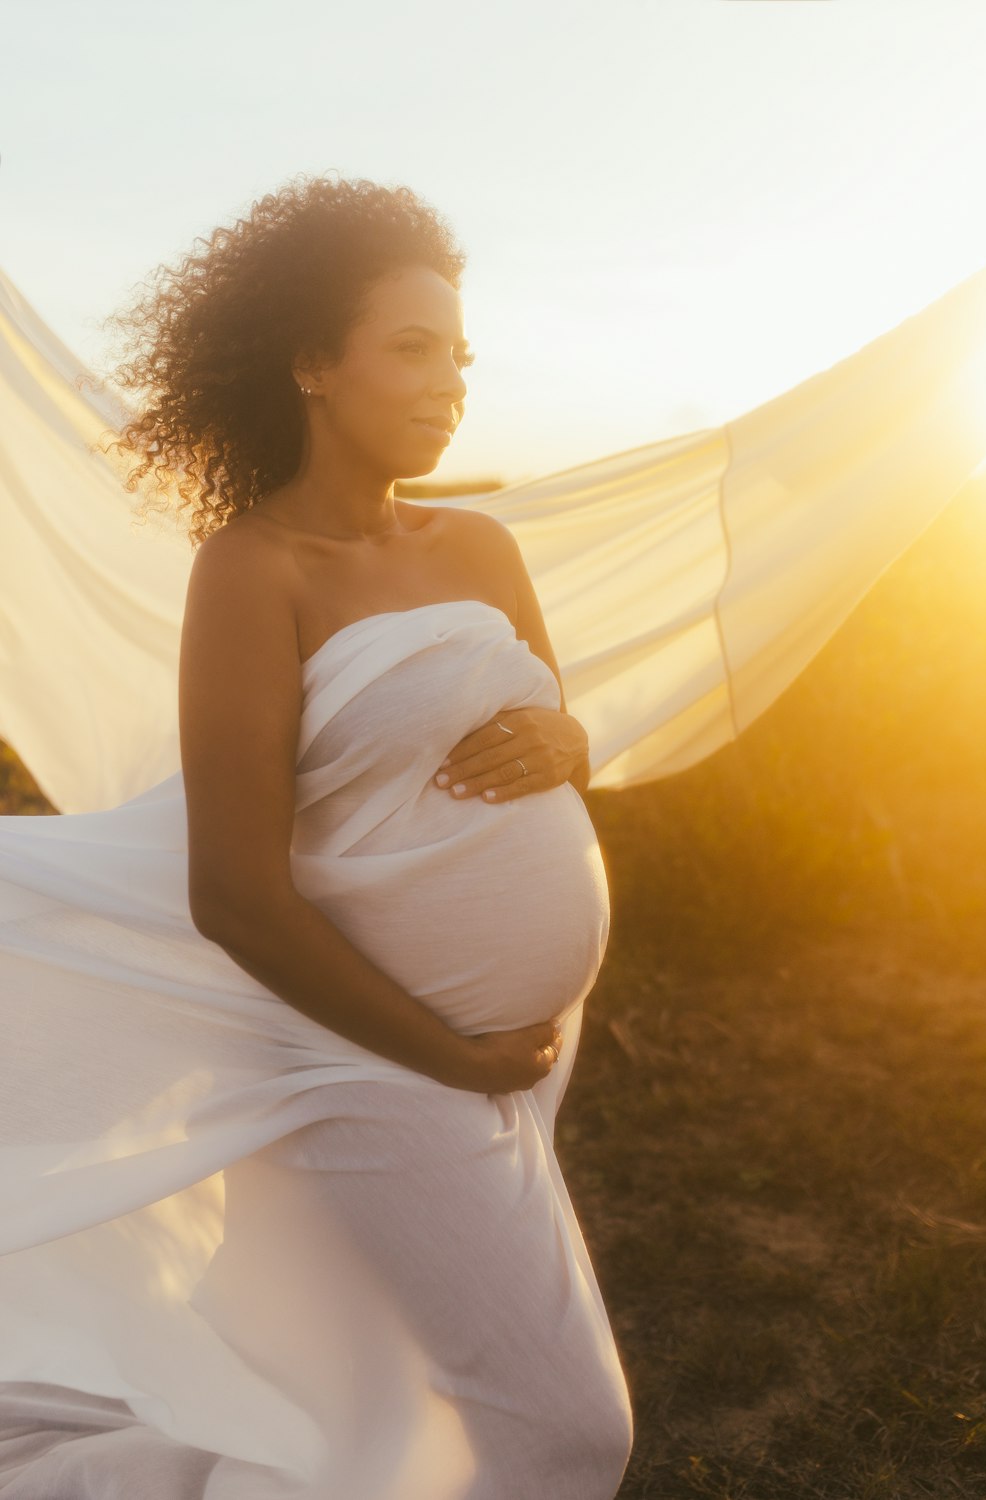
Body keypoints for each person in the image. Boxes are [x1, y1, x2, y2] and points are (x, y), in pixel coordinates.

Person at [0, 173, 633, 1499]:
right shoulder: (254, 573)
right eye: (411, 346)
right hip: (366, 1055)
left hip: (503, 1057)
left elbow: (546, 729)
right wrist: (445, 1057)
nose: (451, 378)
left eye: (458, 351)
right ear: (308, 364)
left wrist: (573, 748)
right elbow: (234, 890)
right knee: (573, 1437)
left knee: (389, 1387)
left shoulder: (480, 548)